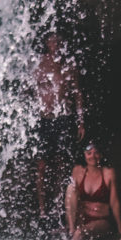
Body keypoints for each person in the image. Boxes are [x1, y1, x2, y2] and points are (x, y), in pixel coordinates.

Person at [32, 31, 85, 224]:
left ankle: (57, 206)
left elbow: (77, 93)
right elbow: (27, 89)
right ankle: (42, 209)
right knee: (42, 166)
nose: (54, 44)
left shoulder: (68, 64)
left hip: (63, 118)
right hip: (44, 118)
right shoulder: (39, 63)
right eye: (51, 41)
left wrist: (81, 121)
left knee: (62, 163)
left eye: (58, 41)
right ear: (46, 43)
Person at [66, 142, 121, 240]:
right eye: (89, 153)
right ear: (84, 155)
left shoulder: (108, 173)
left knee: (79, 233)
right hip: (81, 219)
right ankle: (71, 229)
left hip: (100, 220)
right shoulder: (78, 171)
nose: (93, 156)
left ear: (101, 155)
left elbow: (114, 202)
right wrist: (72, 225)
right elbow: (69, 201)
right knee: (71, 188)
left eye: (96, 153)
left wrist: (120, 228)